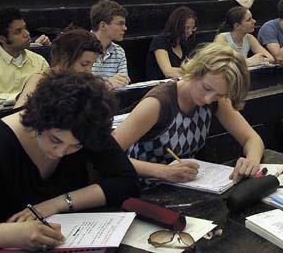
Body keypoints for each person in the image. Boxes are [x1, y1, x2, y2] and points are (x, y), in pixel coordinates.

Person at [0, 70, 140, 248]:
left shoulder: (84, 125)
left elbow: (126, 181)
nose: (61, 153)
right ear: (38, 121)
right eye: (55, 140)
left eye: (76, 146)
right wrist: (7, 234)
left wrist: (57, 204)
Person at [112, 42, 264, 183]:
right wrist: (162, 171)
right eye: (206, 88)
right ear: (195, 72)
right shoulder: (158, 103)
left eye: (219, 94)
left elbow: (251, 138)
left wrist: (252, 160)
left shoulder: (217, 99)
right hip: (142, 187)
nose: (209, 99)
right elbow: (109, 153)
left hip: (185, 187)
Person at [14, 29, 103, 109]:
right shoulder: (39, 80)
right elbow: (18, 114)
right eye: (84, 64)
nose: (89, 71)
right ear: (64, 60)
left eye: (92, 65)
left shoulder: (83, 84)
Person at [0, 8, 49, 104]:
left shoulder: (39, 60)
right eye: (18, 31)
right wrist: (19, 97)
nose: (27, 34)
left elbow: (50, 95)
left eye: (25, 28)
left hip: (34, 116)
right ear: (2, 39)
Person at [145, 6, 197, 80]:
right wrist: (193, 72)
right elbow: (168, 71)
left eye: (193, 28)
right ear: (177, 25)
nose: (190, 32)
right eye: (187, 28)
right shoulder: (160, 41)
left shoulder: (185, 45)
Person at [90, 0, 130, 88]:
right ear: (103, 25)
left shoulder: (119, 51)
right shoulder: (79, 47)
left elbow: (123, 84)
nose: (125, 28)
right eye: (120, 24)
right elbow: (76, 85)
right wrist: (107, 84)